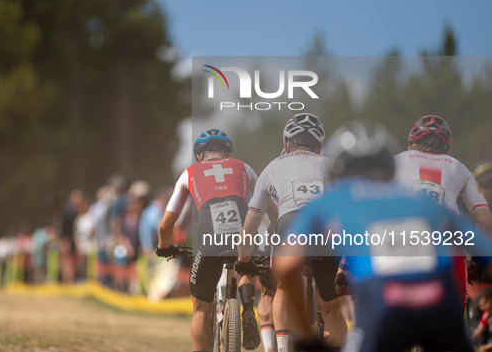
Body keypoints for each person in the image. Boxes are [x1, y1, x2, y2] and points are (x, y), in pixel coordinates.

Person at [273, 120, 492, 352]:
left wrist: (308, 334)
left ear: (336, 173)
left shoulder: (333, 199)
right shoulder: (423, 202)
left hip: (385, 306)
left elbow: (287, 266)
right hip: (441, 303)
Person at [236, 113, 346, 350]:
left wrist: (243, 259)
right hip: (326, 230)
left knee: (284, 287)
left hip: (290, 226)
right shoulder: (330, 164)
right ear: (319, 146)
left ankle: (282, 347)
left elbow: (251, 225)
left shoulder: (273, 167)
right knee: (332, 309)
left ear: (286, 143)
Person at [156, 129, 259, 352]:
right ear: (227, 153)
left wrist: (164, 246)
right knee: (244, 265)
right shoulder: (243, 167)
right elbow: (264, 203)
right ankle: (248, 308)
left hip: (208, 233)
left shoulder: (189, 173)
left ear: (200, 155)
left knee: (201, 308)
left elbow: (165, 225)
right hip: (243, 228)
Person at [394, 115, 492, 305]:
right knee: (451, 327)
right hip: (447, 247)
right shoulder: (460, 168)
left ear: (411, 144)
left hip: (403, 244)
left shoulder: (396, 160)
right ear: (446, 148)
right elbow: (486, 221)